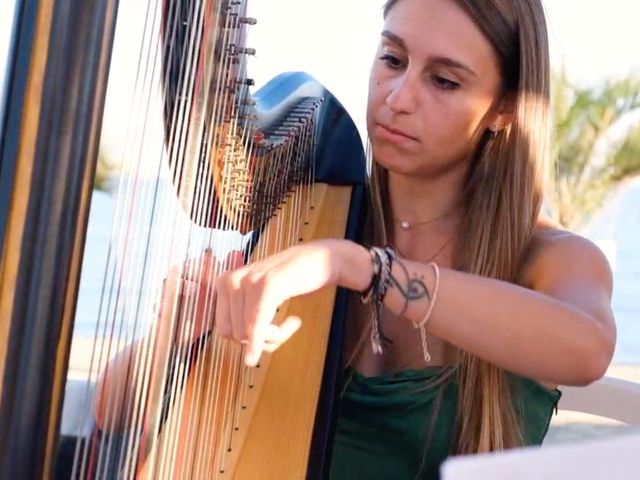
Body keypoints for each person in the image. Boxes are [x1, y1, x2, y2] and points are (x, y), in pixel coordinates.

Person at [212, 0, 617, 478]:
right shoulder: (306, 226)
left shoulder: (553, 259)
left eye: (444, 80)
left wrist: (364, 268)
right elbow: (113, 410)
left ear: (504, 108)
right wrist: (178, 336)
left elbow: (587, 351)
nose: (398, 98)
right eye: (393, 59)